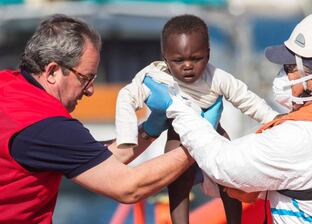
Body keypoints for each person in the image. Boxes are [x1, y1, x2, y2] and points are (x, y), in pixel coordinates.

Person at [159, 10, 312, 223]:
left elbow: (222, 163)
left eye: (290, 68)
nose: (283, 75)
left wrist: (177, 105)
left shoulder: (301, 138)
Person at [0, 14, 201, 224]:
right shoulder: (47, 124)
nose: (90, 91)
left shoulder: (7, 85)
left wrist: (150, 130)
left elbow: (93, 159)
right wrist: (201, 143)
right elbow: (129, 187)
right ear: (52, 71)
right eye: (85, 78)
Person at [115, 14, 279, 224]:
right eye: (178, 60)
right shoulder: (156, 77)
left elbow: (247, 100)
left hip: (214, 131)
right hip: (179, 136)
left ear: (208, 55)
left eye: (196, 58)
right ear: (165, 59)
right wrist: (127, 136)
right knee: (178, 184)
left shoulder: (218, 77)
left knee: (230, 177)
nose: (188, 66)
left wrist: (274, 119)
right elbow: (126, 97)